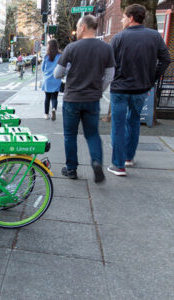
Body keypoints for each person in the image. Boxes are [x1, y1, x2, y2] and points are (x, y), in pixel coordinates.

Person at [107, 4, 171, 176]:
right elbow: (166, 59)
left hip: (120, 89)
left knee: (118, 126)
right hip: (141, 88)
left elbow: (109, 64)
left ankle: (118, 165)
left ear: (131, 18)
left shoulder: (118, 38)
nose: (121, 19)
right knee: (134, 121)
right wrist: (152, 79)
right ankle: (128, 158)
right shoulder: (154, 37)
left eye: (123, 17)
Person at [54, 15, 115, 184]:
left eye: (77, 27)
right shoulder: (106, 48)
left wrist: (69, 72)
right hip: (92, 99)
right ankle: (96, 162)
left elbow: (57, 73)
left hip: (72, 98)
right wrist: (98, 89)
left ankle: (71, 169)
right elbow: (110, 76)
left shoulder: (71, 48)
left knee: (70, 135)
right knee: (92, 134)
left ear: (82, 27)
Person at [41, 39, 62, 121]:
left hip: (47, 79)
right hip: (56, 79)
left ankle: (46, 114)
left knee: (47, 97)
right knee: (54, 97)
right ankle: (54, 109)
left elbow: (43, 68)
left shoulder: (46, 56)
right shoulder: (60, 56)